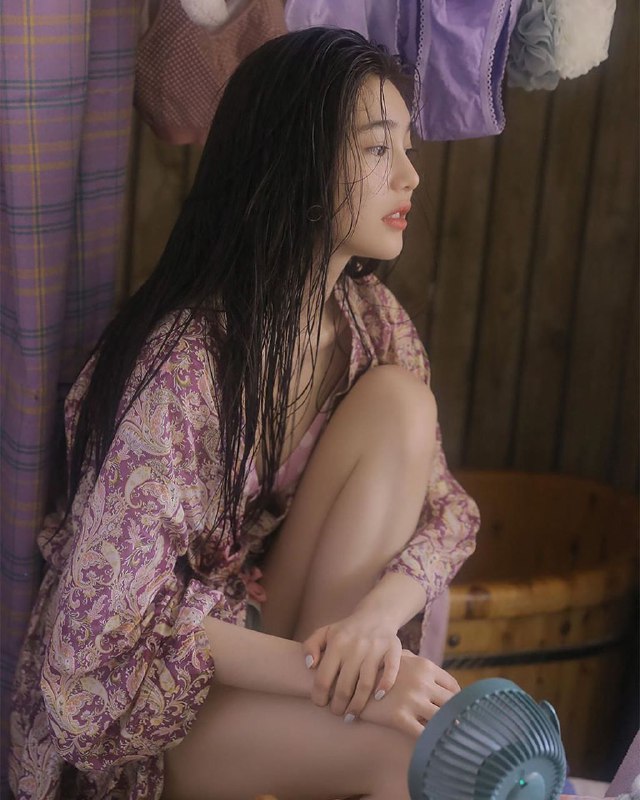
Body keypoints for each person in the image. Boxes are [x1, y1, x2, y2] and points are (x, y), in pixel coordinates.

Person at [9, 27, 480, 800]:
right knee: (406, 754)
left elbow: (445, 513)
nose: (410, 175)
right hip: (156, 710)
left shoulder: (370, 324)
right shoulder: (185, 366)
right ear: (294, 160)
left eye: (407, 147)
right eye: (376, 148)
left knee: (401, 403)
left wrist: (371, 630)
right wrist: (336, 677)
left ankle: (336, 705)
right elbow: (102, 639)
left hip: (285, 642)